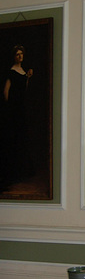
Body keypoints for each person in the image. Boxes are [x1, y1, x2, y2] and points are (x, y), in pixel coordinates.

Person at [1, 45, 34, 189]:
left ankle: (22, 172)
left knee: (22, 138)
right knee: (12, 139)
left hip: (21, 108)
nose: (20, 56)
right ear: (14, 56)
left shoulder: (23, 72)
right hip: (13, 109)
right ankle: (13, 173)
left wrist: (28, 78)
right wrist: (10, 108)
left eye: (21, 54)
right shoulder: (11, 72)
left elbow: (24, 89)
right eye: (17, 54)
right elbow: (6, 91)